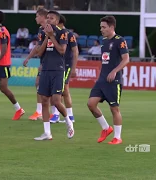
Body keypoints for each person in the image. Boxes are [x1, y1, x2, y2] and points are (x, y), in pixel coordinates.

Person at [87, 15, 129, 145]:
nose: (101, 29)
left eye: (104, 27)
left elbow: (126, 59)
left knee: (114, 109)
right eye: (101, 27)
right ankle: (106, 128)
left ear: (111, 27)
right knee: (91, 104)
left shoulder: (119, 40)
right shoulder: (104, 42)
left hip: (114, 80)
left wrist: (114, 71)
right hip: (102, 80)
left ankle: (117, 137)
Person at [34, 11, 74, 140]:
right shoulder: (41, 33)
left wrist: (52, 36)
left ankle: (68, 121)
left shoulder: (63, 33)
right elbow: (39, 53)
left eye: (52, 18)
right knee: (45, 100)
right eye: (48, 18)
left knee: (56, 100)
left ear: (57, 21)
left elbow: (62, 50)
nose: (49, 20)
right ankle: (47, 133)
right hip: (45, 69)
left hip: (58, 70)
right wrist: (47, 36)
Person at [50, 14, 79, 123]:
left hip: (66, 64)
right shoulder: (54, 33)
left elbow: (75, 51)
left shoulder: (68, 34)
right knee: (64, 89)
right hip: (57, 64)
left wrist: (74, 68)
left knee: (62, 88)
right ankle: (69, 116)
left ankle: (58, 114)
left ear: (59, 21)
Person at [23, 8, 48, 121]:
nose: (36, 18)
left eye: (37, 16)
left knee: (49, 87)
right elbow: (38, 46)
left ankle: (52, 113)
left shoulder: (49, 29)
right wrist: (28, 57)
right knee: (38, 84)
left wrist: (44, 62)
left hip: (51, 62)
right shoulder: (40, 29)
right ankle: (40, 111)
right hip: (43, 61)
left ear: (43, 17)